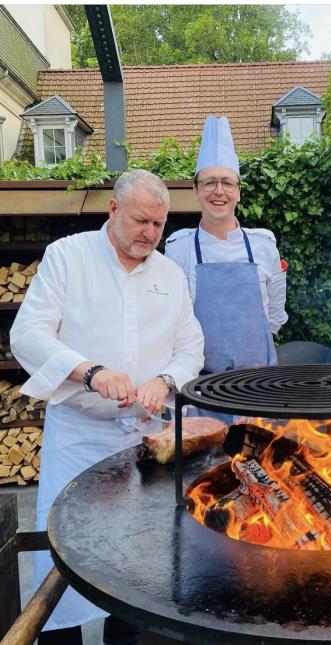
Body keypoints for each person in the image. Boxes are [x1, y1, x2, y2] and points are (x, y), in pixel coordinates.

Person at [10, 169, 204, 645]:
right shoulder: (67, 257)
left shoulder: (170, 274)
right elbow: (27, 334)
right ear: (113, 210)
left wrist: (164, 380)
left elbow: (191, 347)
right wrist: (91, 372)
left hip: (144, 442)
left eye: (158, 224)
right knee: (69, 556)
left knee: (139, 561)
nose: (150, 233)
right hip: (80, 437)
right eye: (141, 220)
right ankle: (59, 636)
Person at [165, 115, 287, 381]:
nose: (218, 191)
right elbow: (171, 322)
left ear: (239, 191)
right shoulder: (178, 249)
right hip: (201, 386)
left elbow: (275, 317)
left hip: (260, 385)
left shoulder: (264, 246)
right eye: (209, 182)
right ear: (196, 190)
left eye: (227, 182)